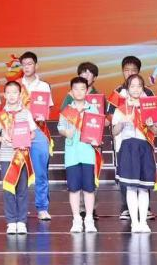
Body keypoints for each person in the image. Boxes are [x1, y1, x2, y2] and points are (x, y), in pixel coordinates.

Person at [113, 74, 157, 233]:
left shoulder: (149, 107)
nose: (136, 89)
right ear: (127, 89)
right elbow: (114, 131)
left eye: (139, 86)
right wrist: (123, 121)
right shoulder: (121, 108)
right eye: (132, 86)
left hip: (144, 147)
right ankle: (134, 222)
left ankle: (143, 222)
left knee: (144, 187)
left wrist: (152, 126)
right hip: (128, 147)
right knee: (131, 187)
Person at [0, 80, 36, 235]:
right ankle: (11, 221)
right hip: (6, 156)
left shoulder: (26, 113)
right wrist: (1, 139)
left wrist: (27, 139)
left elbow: (33, 133)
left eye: (14, 92)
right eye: (8, 92)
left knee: (22, 189)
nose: (11, 96)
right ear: (4, 95)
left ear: (20, 94)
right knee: (8, 189)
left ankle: (21, 221)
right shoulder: (1, 116)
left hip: (22, 155)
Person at [14, 52, 54, 221]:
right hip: (19, 130)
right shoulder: (15, 85)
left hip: (38, 131)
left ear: (36, 65)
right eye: (24, 64)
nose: (27, 67)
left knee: (41, 171)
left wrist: (42, 116)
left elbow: (48, 109)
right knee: (17, 171)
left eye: (30, 64)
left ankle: (42, 207)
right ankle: (18, 208)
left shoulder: (44, 86)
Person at [59, 76, 101, 233]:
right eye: (75, 89)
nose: (79, 92)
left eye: (82, 89)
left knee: (89, 188)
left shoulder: (93, 109)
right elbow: (60, 128)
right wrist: (66, 132)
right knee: (74, 189)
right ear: (71, 91)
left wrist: (96, 139)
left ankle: (89, 219)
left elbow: (98, 129)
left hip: (88, 153)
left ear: (87, 91)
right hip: (72, 154)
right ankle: (76, 219)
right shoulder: (67, 110)